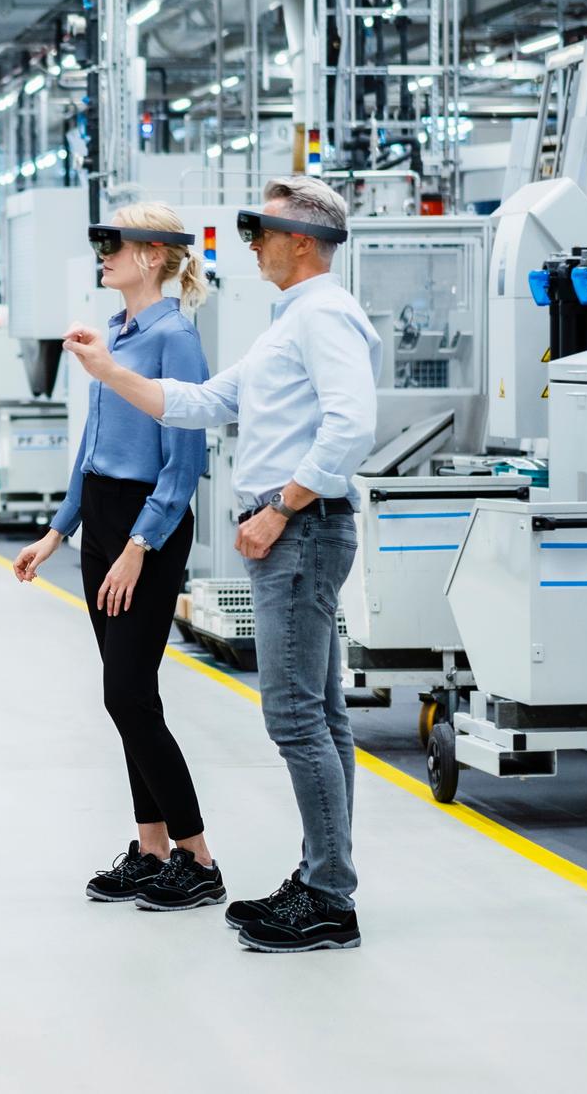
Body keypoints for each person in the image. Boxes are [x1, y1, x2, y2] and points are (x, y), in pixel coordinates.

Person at [63, 176, 379, 953]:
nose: (252, 248)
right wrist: (109, 373)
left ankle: (329, 896)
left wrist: (283, 506)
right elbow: (201, 402)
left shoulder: (324, 316)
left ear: (300, 240)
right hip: (294, 528)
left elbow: (351, 425)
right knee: (320, 714)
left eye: (261, 234)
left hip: (299, 529)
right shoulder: (288, 322)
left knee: (297, 716)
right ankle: (320, 876)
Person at [12, 203, 222, 913]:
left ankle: (198, 857)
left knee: (126, 694)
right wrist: (58, 531)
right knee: (131, 697)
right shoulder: (116, 334)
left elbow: (185, 457)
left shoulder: (175, 339)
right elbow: (94, 444)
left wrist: (140, 543)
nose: (102, 253)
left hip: (145, 528)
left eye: (115, 244)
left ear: (155, 256)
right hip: (102, 520)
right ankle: (152, 847)